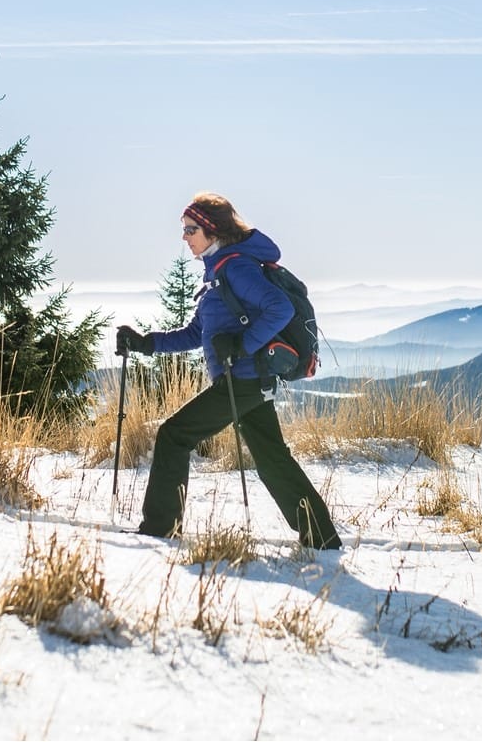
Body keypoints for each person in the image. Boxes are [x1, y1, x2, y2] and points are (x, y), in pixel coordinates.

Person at [115, 193, 343, 550]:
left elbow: (279, 309)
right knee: (272, 460)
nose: (185, 237)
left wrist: (242, 346)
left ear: (212, 230)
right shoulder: (217, 270)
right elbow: (196, 333)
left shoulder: (235, 267)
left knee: (174, 436)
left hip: (244, 379)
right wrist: (146, 343)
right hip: (250, 381)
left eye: (191, 229)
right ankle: (322, 538)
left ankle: (160, 529)